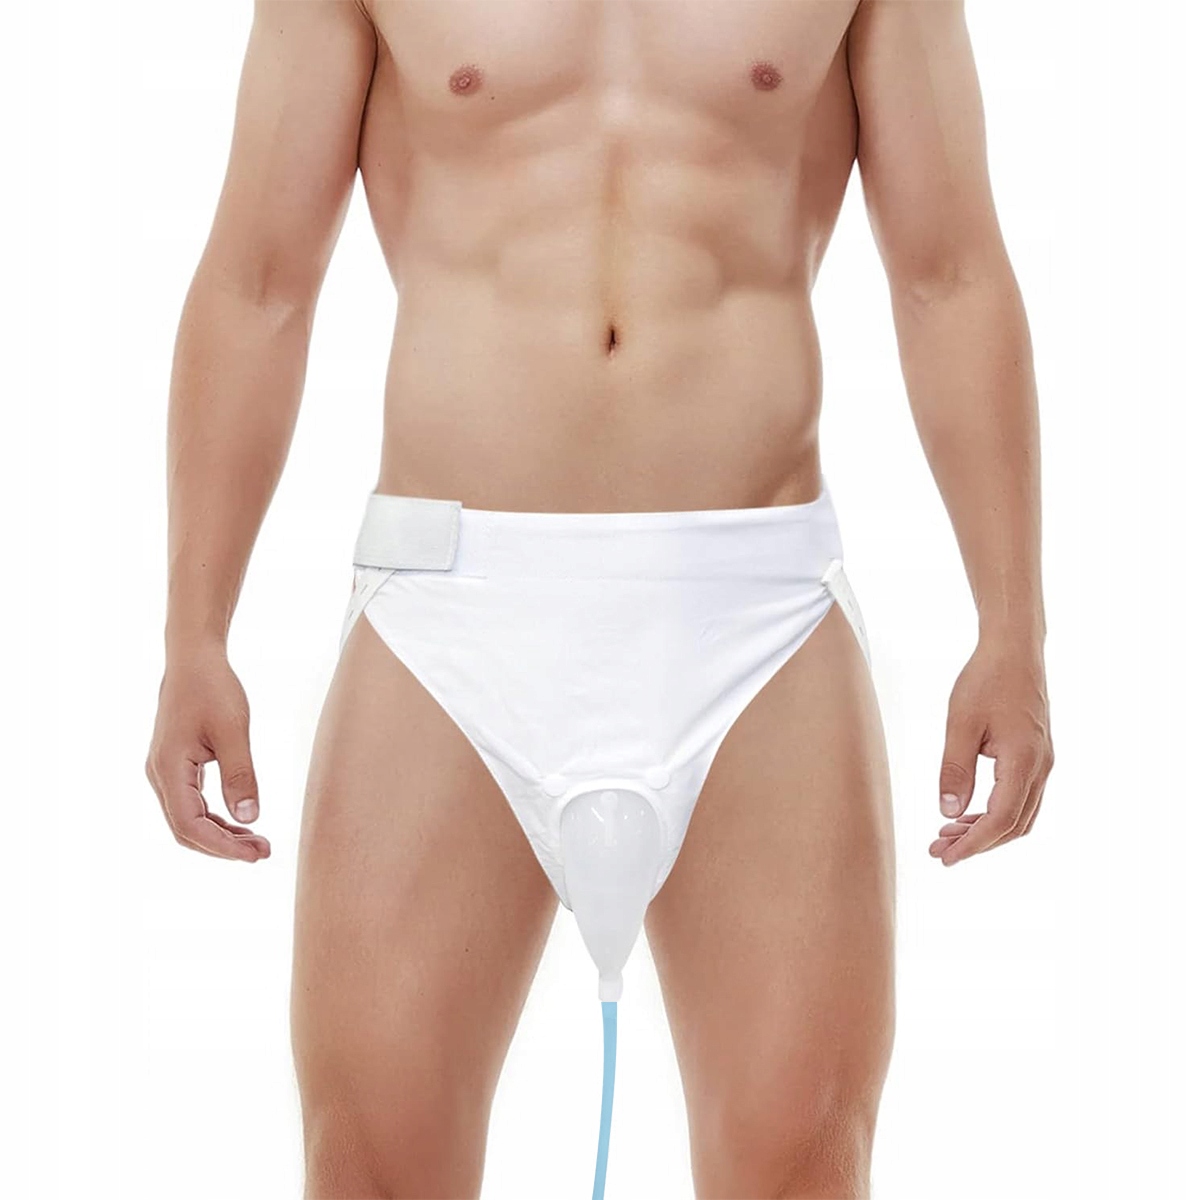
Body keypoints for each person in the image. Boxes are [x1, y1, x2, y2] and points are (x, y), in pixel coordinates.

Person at [145, 1, 1054, 1196]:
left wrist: (1012, 629)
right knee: (369, 1167)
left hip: (755, 620)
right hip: (450, 615)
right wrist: (195, 635)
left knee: (802, 1165)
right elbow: (259, 282)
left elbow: (950, 274)